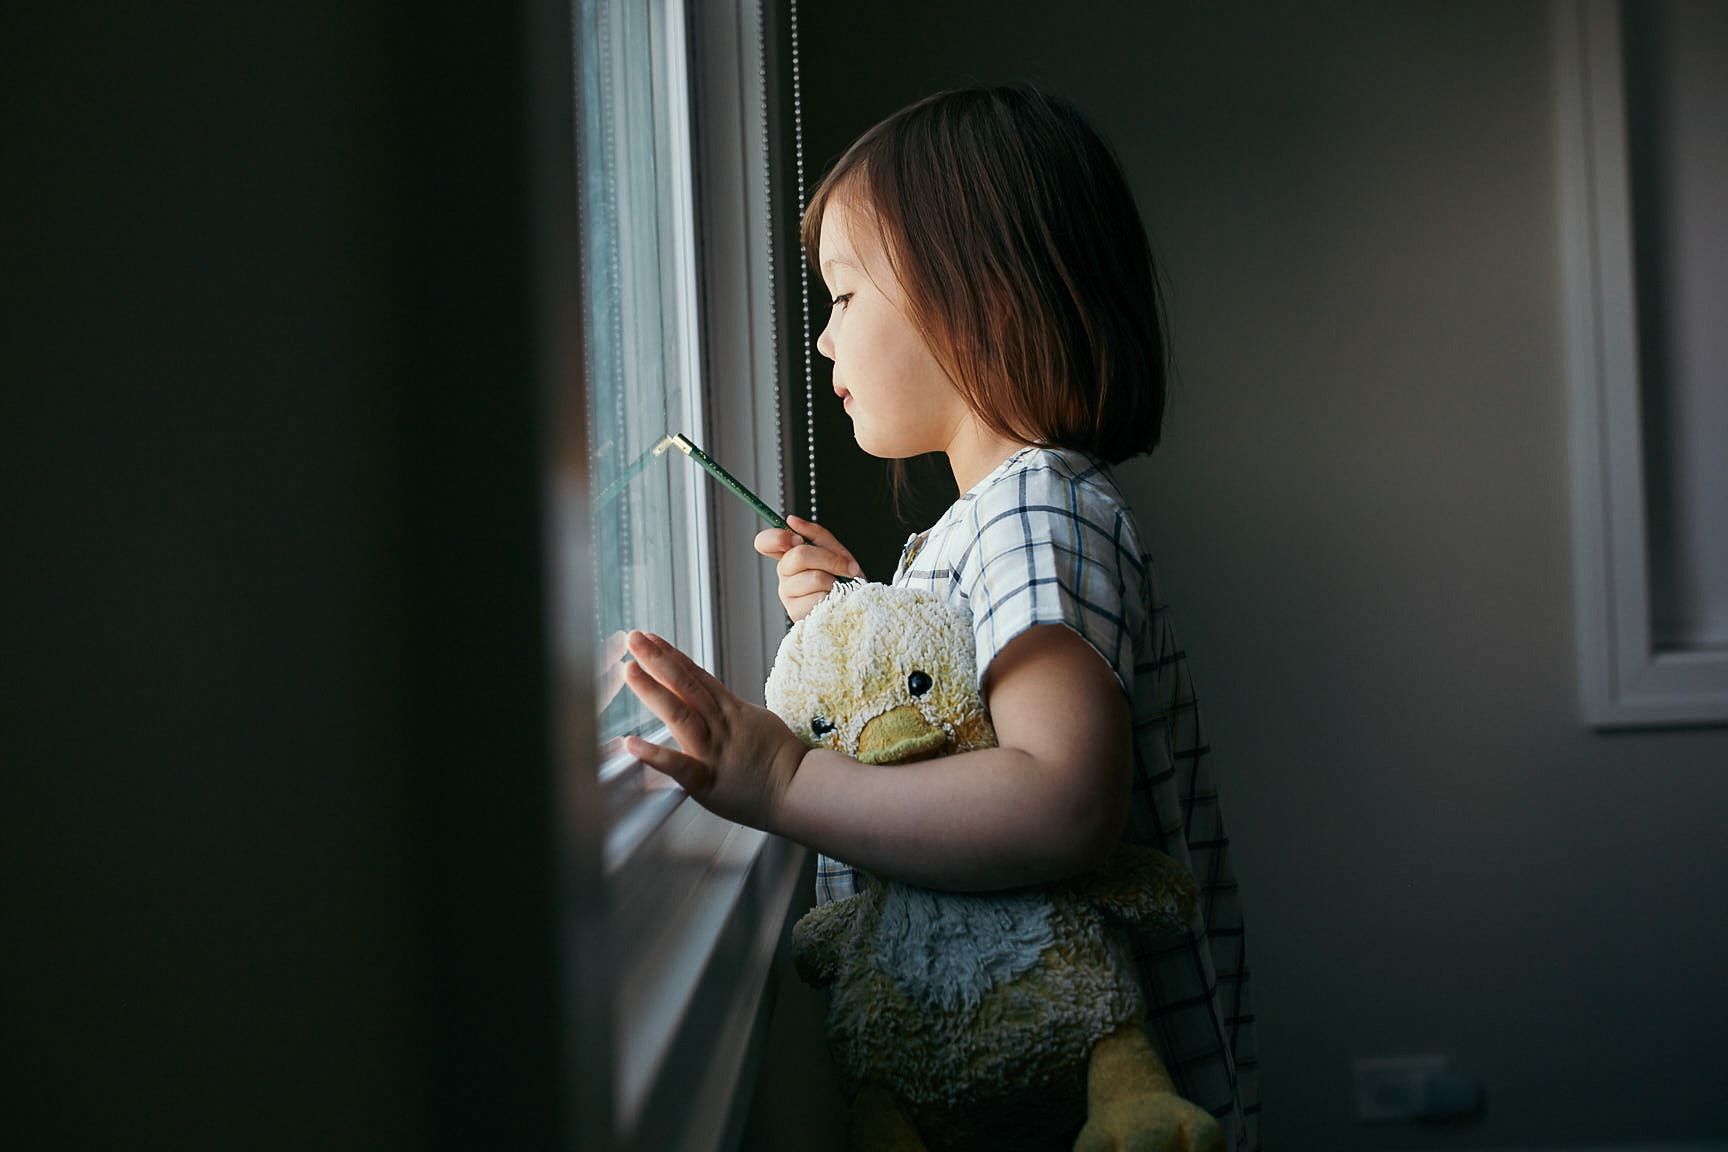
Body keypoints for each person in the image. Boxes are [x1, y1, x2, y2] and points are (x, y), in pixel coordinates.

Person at [622, 84, 1258, 1149]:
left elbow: (1058, 801)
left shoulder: (1039, 509)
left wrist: (784, 780)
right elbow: (971, 725)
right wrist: (861, 615)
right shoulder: (998, 522)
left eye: (845, 295)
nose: (823, 341)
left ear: (985, 304)